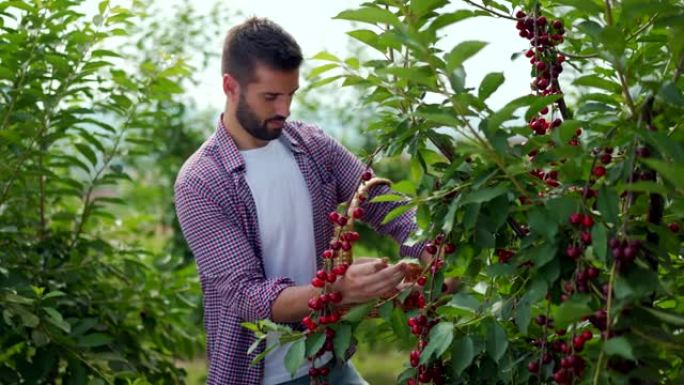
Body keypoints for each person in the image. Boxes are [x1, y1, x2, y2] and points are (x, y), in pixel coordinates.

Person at [174, 17, 430, 385]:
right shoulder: (201, 181)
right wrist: (338, 291)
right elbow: (247, 295)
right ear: (231, 87)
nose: (285, 109)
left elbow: (381, 202)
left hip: (329, 364)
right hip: (259, 377)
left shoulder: (311, 146)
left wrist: (431, 254)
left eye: (291, 94)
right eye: (271, 97)